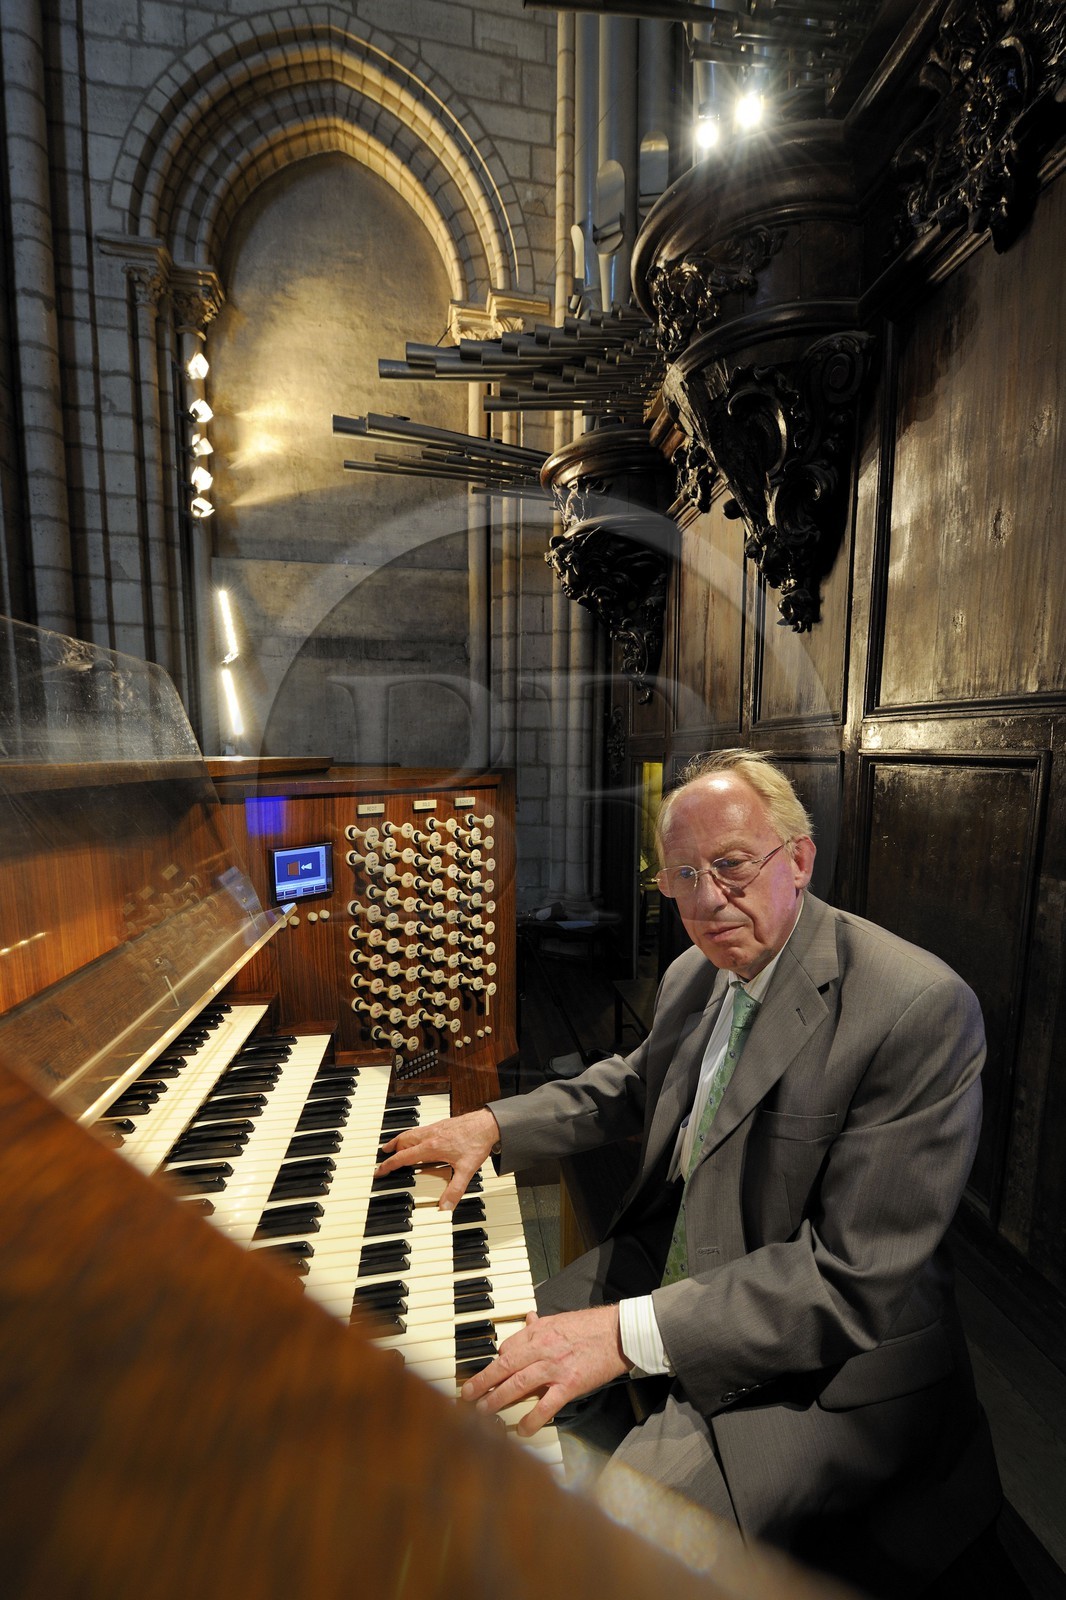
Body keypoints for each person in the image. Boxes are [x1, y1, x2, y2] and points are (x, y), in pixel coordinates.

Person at [376, 749, 1002, 1597]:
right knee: (484, 1368)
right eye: (682, 875)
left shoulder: (917, 1007)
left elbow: (851, 1281)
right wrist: (493, 1121)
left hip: (831, 1364)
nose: (707, 899)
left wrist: (625, 1335)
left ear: (800, 858)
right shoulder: (696, 972)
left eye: (733, 866)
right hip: (685, 1261)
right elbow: (636, 1085)